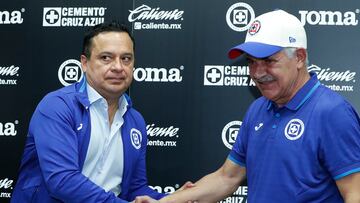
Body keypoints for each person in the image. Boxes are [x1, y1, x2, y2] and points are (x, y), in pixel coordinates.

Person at [134, 9, 360, 203]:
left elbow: (355, 194)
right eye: (251, 62)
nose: (258, 73)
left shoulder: (332, 112)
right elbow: (227, 178)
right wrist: (164, 201)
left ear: (299, 57)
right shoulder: (258, 109)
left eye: (269, 61)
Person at [11, 22, 168, 203]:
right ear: (85, 63)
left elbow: (135, 187)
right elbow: (62, 181)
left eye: (126, 58)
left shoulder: (135, 120)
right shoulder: (58, 106)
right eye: (106, 58)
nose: (118, 67)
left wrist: (175, 199)